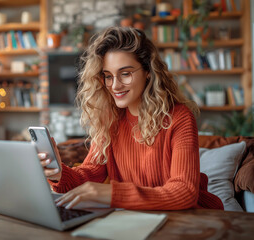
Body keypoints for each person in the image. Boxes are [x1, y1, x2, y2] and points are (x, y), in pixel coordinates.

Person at [39, 26, 224, 210]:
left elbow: (184, 192)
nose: (115, 85)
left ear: (148, 71)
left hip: (194, 218)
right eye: (108, 76)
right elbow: (90, 173)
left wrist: (113, 194)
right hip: (139, 217)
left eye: (125, 74)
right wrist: (59, 173)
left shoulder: (179, 117)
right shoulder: (110, 120)